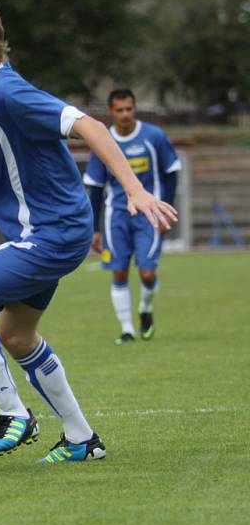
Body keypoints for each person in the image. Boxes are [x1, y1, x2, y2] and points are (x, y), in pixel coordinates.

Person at [0, 0, 177, 464]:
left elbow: (90, 126)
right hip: (36, 232)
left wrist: (135, 190)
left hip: (55, 231)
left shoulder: (9, 93)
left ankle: (14, 414)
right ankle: (82, 438)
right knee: (17, 338)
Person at [84, 88, 181, 345]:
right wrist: (94, 228)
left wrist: (165, 211)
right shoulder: (103, 141)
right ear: (111, 112)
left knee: (147, 273)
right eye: (120, 110)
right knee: (119, 272)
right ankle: (126, 330)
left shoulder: (154, 136)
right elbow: (94, 186)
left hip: (148, 216)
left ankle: (145, 310)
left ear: (134, 109)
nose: (125, 114)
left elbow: (171, 172)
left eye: (129, 109)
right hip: (116, 217)